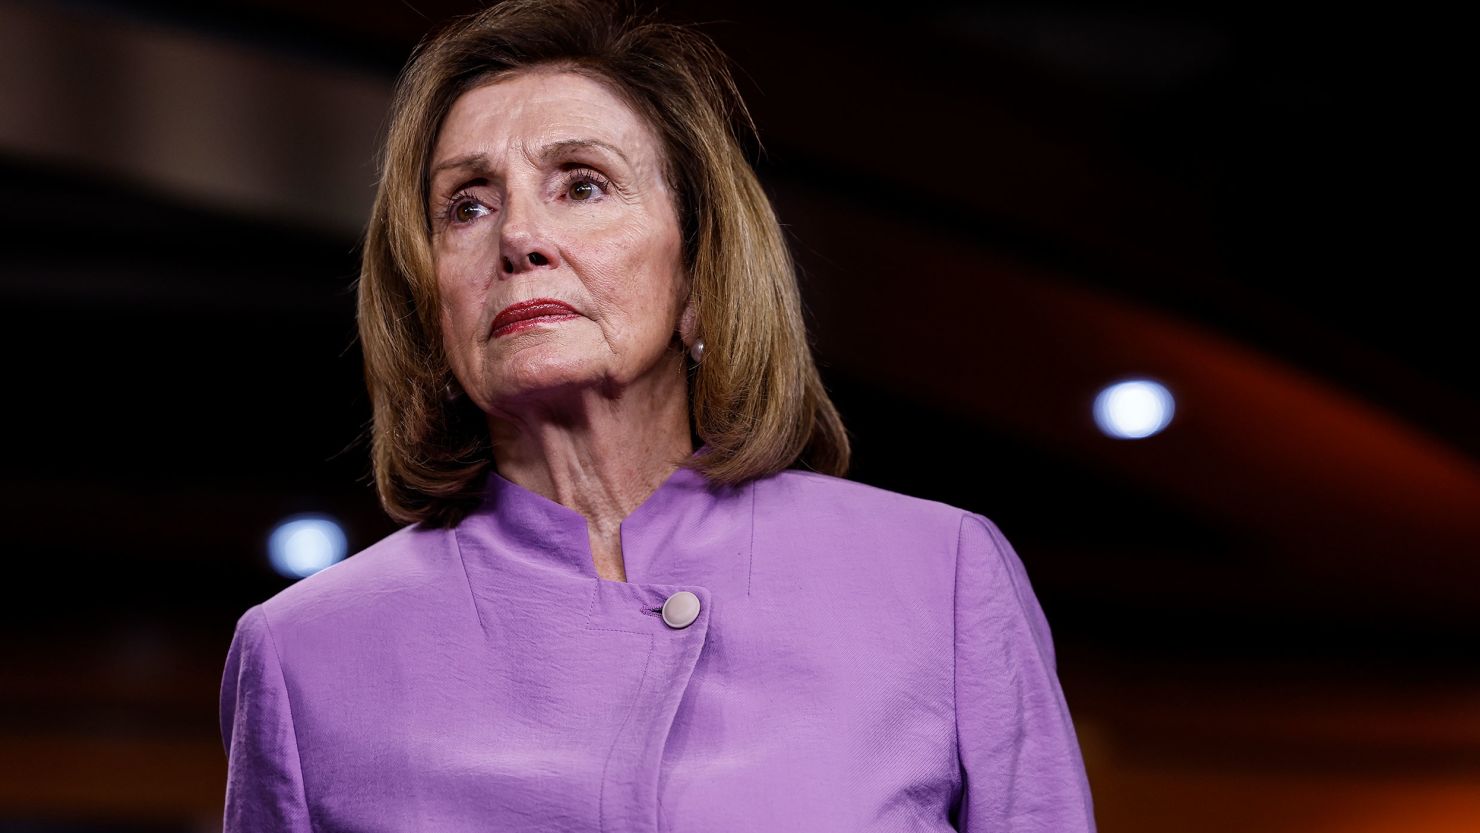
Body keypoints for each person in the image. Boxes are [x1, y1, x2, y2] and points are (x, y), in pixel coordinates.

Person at [218, 0, 1097, 830]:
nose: (518, 235)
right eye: (468, 205)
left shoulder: (938, 578)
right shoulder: (302, 657)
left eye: (583, 184)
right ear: (429, 302)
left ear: (699, 278)